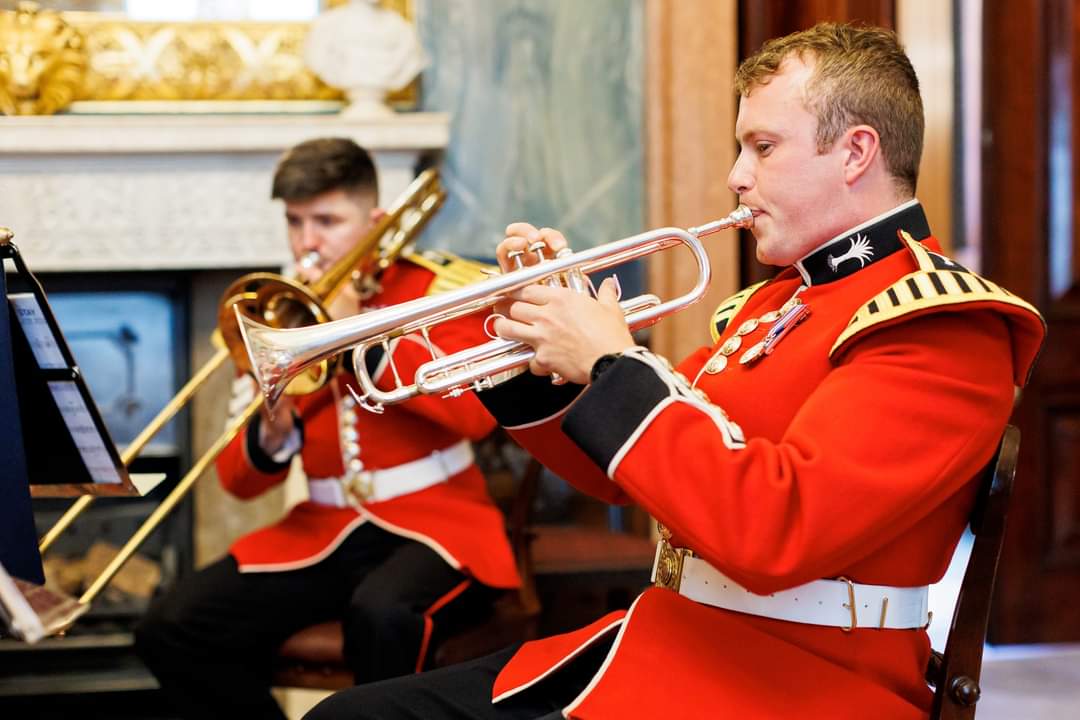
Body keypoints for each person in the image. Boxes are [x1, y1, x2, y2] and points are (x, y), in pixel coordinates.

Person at [303, 23, 1046, 720]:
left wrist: (612, 361)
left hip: (801, 682)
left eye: (762, 147)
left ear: (855, 153)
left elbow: (773, 532)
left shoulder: (941, 322)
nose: (735, 177)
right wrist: (531, 348)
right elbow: (630, 473)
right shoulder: (769, 306)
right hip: (677, 638)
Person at [134, 138, 521, 720]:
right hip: (321, 531)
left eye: (326, 221)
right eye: (294, 221)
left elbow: (472, 415)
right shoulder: (275, 312)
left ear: (376, 221)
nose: (306, 243)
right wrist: (273, 428)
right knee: (172, 625)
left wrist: (358, 334)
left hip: (437, 522)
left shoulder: (435, 291)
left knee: (384, 616)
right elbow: (239, 484)